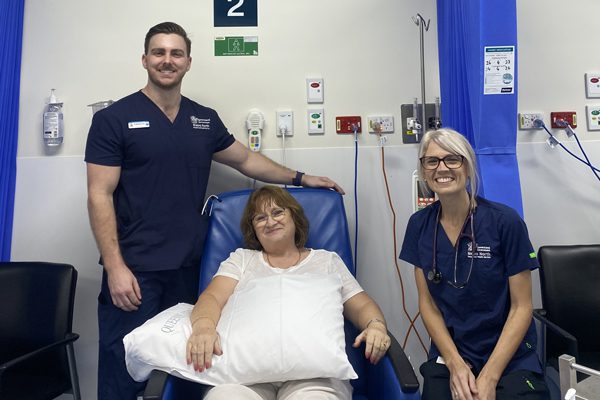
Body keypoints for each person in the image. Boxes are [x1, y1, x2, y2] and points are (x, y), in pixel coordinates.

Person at [85, 22, 343, 400]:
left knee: (187, 370)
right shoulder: (113, 119)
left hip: (190, 270)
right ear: (144, 59)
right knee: (127, 367)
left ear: (188, 62)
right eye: (159, 52)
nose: (167, 60)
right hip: (135, 270)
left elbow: (248, 161)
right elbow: (98, 195)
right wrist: (116, 267)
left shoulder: (202, 119)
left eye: (176, 53)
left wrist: (302, 178)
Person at [187, 185, 390, 400]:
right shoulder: (241, 259)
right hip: (244, 378)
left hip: (315, 379)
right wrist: (203, 328)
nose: (270, 221)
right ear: (253, 228)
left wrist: (375, 325)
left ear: (295, 217)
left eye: (277, 212)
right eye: (260, 218)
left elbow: (361, 305)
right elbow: (212, 297)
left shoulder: (327, 261)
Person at [399, 129, 550, 400]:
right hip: (452, 352)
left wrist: (490, 376)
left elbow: (522, 306)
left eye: (452, 159)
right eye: (431, 161)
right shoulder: (419, 226)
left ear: (467, 167)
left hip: (510, 355)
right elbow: (428, 305)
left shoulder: (504, 222)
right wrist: (456, 364)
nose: (441, 168)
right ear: (423, 171)